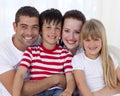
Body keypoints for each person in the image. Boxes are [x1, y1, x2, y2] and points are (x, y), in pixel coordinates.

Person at [0, 6, 66, 96]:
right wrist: (56, 79)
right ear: (15, 26)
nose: (29, 33)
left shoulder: (44, 39)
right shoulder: (2, 52)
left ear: (40, 29)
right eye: (24, 27)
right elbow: (16, 90)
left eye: (34, 27)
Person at [12, 8, 75, 96]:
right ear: (40, 30)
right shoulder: (31, 51)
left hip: (57, 91)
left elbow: (70, 79)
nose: (53, 32)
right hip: (37, 92)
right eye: (48, 27)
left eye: (57, 28)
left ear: (61, 31)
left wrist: (68, 91)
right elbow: (20, 75)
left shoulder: (65, 54)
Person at [71, 19, 120, 96]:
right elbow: (81, 84)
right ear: (82, 42)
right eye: (87, 40)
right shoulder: (78, 59)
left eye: (96, 39)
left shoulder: (109, 57)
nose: (92, 44)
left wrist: (96, 94)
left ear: (103, 40)